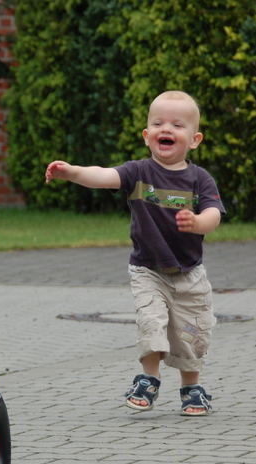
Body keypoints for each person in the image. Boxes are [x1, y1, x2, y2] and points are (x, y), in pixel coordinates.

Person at [45, 90, 225, 416]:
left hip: (189, 274)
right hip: (148, 270)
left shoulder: (200, 179)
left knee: (192, 332)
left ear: (194, 139)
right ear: (147, 135)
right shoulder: (138, 173)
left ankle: (191, 387)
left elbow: (214, 215)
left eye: (176, 124)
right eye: (157, 123)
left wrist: (198, 221)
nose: (165, 128)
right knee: (150, 322)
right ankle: (148, 379)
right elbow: (103, 175)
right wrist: (72, 172)